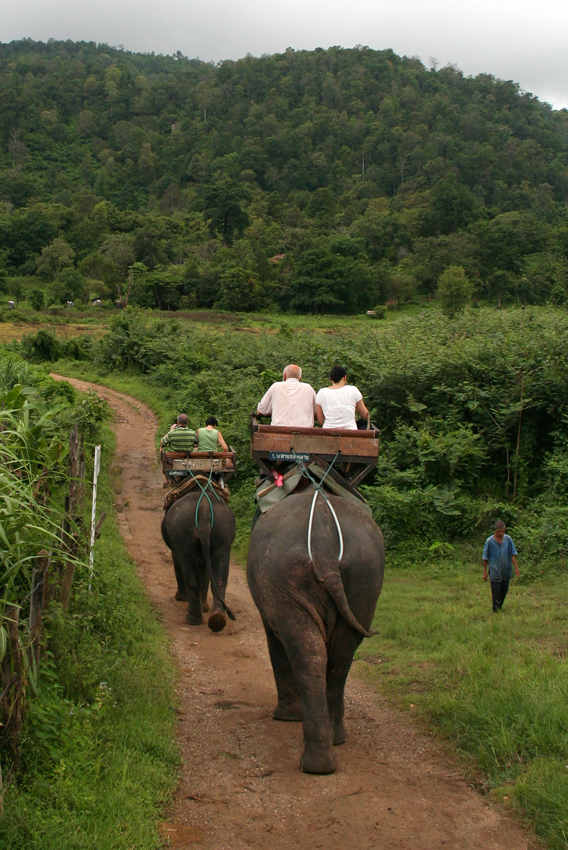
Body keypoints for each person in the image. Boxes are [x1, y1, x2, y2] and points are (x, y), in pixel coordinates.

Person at [482, 520, 520, 612]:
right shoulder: (490, 541)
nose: (501, 533)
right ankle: (495, 610)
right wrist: (485, 572)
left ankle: (499, 607)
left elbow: (512, 554)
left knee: (504, 590)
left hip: (506, 570)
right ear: (495, 530)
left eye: (502, 531)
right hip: (495, 571)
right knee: (496, 592)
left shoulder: (508, 539)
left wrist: (516, 568)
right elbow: (485, 557)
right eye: (499, 531)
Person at [316, 366, 369, 430]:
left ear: (331, 379)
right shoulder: (353, 390)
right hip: (350, 433)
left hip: (328, 432)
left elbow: (320, 421)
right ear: (345, 378)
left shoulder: (321, 393)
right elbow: (365, 415)